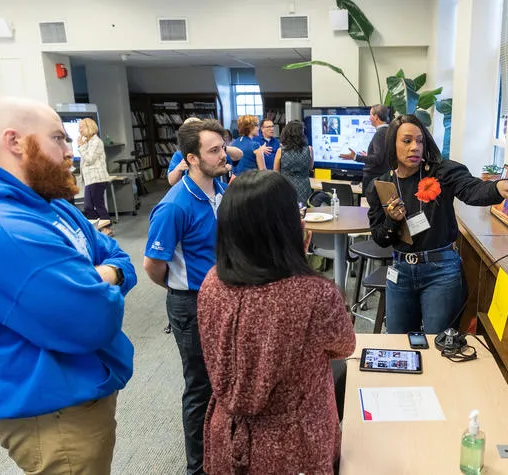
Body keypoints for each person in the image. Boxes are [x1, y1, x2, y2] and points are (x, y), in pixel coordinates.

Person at [0, 97, 136, 474]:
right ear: (15, 141)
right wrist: (99, 278)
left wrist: (104, 275)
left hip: (80, 392)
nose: (70, 151)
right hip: (53, 416)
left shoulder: (51, 205)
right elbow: (93, 318)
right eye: (59, 138)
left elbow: (119, 258)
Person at [198, 170, 356, 474]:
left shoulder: (212, 283)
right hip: (293, 445)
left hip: (226, 435)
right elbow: (344, 346)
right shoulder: (314, 295)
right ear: (286, 227)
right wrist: (301, 256)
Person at [367, 115, 508, 334]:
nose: (415, 147)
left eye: (420, 141)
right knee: (399, 345)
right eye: (407, 141)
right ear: (392, 144)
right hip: (400, 273)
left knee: (439, 345)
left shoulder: (442, 172)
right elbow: (380, 239)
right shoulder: (381, 185)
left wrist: (497, 188)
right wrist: (392, 220)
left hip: (441, 272)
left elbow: (472, 190)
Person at [143, 119, 229, 475]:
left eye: (223, 147)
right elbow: (152, 266)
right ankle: (198, 468)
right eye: (215, 150)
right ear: (191, 158)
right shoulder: (174, 205)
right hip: (190, 303)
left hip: (221, 297)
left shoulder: (220, 187)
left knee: (222, 382)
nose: (224, 155)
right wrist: (181, 289)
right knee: (200, 388)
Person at [167, 117, 242, 186]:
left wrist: (219, 148)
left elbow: (239, 155)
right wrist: (178, 169)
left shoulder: (221, 152)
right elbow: (172, 181)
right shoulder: (178, 155)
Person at [340, 104, 391, 192]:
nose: (369, 118)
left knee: (367, 204)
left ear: (376, 117)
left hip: (373, 178)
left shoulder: (380, 133)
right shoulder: (388, 131)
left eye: (370, 114)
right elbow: (383, 155)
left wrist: (355, 157)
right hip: (381, 177)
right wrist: (369, 155)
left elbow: (378, 159)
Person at [78, 117, 112, 234]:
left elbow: (90, 159)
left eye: (81, 127)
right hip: (89, 179)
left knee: (98, 204)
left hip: (97, 178)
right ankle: (98, 228)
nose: (79, 130)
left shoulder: (96, 142)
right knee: (88, 206)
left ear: (89, 127)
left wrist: (81, 146)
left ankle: (106, 227)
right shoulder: (87, 142)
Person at [274, 120, 313, 205]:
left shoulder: (280, 151)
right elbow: (310, 167)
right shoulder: (309, 149)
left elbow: (275, 172)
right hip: (304, 186)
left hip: (285, 186)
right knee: (304, 212)